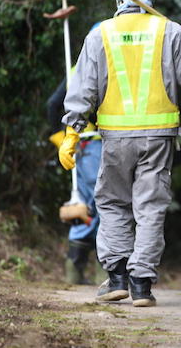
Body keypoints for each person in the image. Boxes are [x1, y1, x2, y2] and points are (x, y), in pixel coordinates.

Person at [59, 0, 181, 307]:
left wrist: (72, 133)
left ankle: (117, 276)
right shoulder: (171, 31)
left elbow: (82, 90)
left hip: (115, 139)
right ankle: (140, 286)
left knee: (112, 204)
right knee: (150, 208)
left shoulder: (100, 34)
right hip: (158, 138)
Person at [47, 70, 102, 285]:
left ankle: (74, 272)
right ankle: (104, 274)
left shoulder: (75, 69)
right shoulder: (103, 67)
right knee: (103, 206)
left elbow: (52, 105)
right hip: (94, 143)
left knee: (86, 206)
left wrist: (60, 141)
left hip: (77, 147)